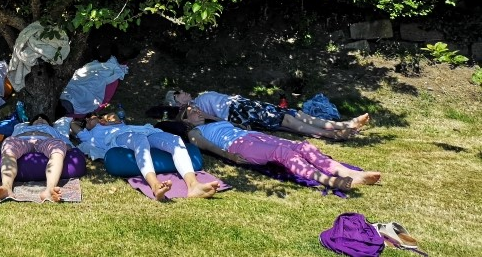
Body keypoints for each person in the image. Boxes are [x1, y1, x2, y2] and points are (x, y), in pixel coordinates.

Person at [183, 106, 381, 192]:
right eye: (192, 112)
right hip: (238, 146)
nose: (198, 112)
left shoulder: (211, 123)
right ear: (184, 119)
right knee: (283, 154)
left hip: (249, 137)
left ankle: (349, 173)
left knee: (303, 146)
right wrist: (230, 157)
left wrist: (205, 114)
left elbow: (221, 121)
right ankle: (329, 180)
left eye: (198, 109)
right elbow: (207, 147)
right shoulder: (194, 133)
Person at [71, 113, 218, 201]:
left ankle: (194, 185)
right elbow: (72, 125)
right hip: (121, 138)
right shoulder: (89, 134)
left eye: (94, 117)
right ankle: (155, 185)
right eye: (89, 120)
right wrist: (78, 122)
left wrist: (109, 120)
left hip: (146, 131)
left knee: (176, 140)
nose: (92, 119)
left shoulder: (117, 122)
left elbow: (115, 118)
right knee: (139, 141)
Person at [165, 90, 369, 140]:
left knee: (291, 113)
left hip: (243, 104)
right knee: (287, 120)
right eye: (179, 93)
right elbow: (212, 119)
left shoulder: (198, 98)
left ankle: (342, 125)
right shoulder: (191, 108)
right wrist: (236, 125)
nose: (183, 92)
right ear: (177, 101)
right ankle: (334, 133)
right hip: (239, 111)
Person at [0, 114, 74, 203]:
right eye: (36, 118)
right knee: (9, 142)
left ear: (49, 124)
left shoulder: (53, 130)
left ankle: (50, 190)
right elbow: (12, 138)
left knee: (59, 145)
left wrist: (62, 146)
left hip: (45, 141)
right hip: (23, 141)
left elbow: (68, 145)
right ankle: (6, 188)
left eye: (43, 118)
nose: (40, 119)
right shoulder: (22, 129)